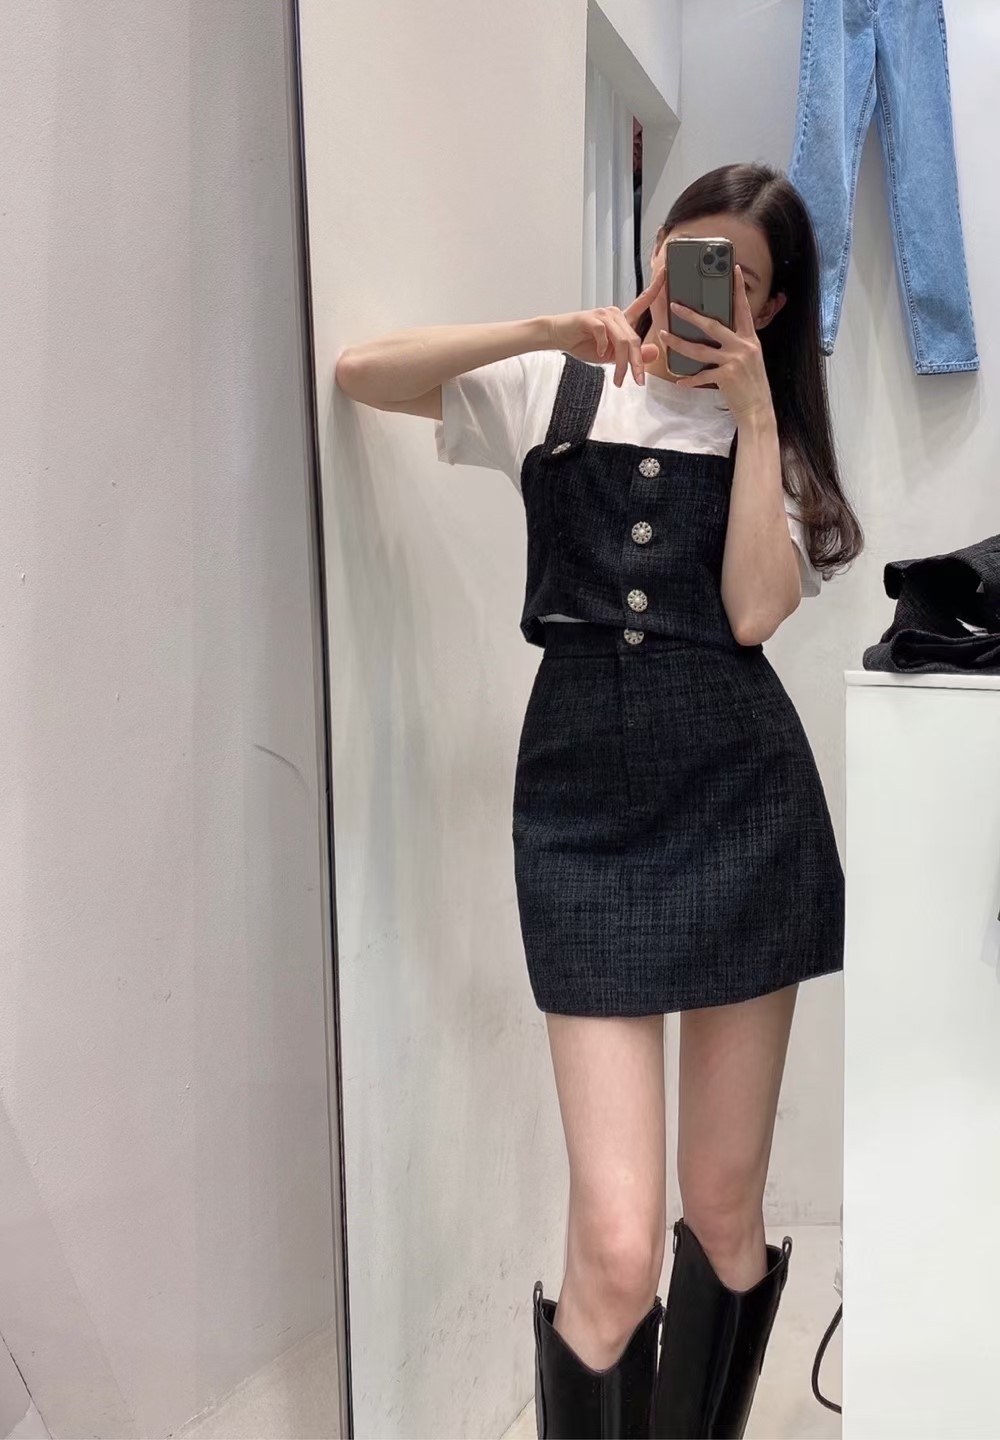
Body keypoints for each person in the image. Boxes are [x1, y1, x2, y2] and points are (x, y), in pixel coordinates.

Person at [335, 163, 863, 1439]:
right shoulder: (559, 389)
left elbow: (753, 612)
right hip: (581, 814)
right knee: (618, 1252)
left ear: (769, 306)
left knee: (723, 1213)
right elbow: (362, 373)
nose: (698, 291)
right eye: (685, 257)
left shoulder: (778, 446)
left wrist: (751, 420)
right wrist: (545, 328)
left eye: (734, 277)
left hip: (743, 808)